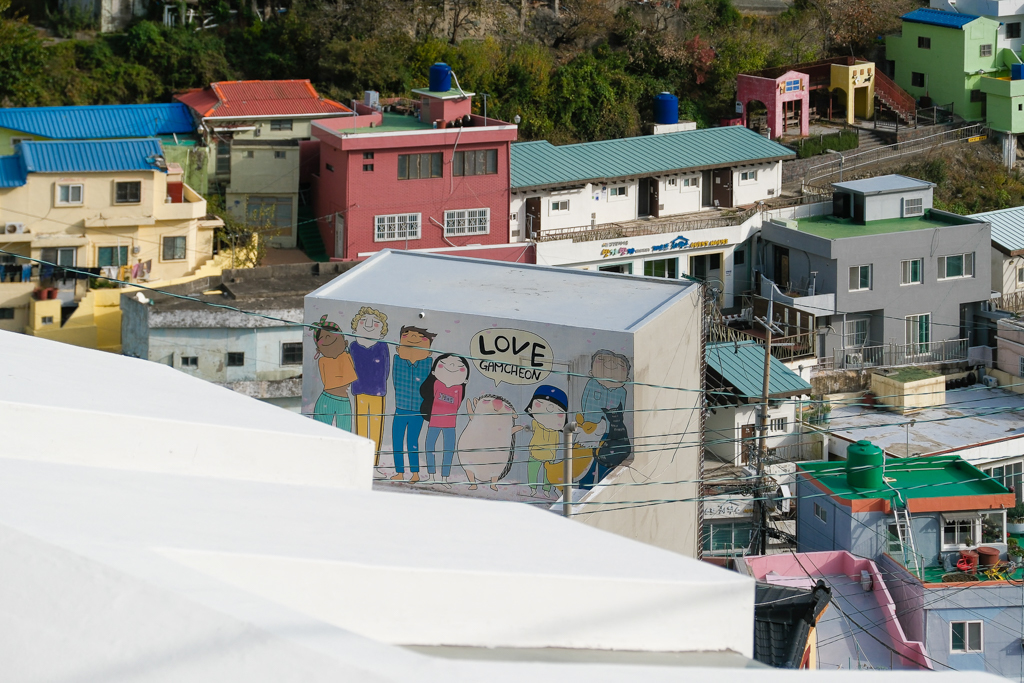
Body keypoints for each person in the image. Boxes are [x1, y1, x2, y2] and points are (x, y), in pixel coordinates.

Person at [578, 350, 631, 486]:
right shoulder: (592, 384)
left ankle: (603, 490)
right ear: (591, 372)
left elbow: (621, 411)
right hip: (591, 430)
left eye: (620, 366)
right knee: (586, 463)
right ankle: (583, 490)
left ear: (627, 380)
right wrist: (588, 422)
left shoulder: (621, 391)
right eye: (602, 361)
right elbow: (584, 402)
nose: (611, 366)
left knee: (606, 463)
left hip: (609, 433)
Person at [390, 326, 436, 483]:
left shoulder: (427, 364)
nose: (414, 338)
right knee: (397, 440)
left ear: (429, 352)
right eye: (407, 335)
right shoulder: (398, 361)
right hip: (401, 408)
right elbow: (396, 381)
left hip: (418, 410)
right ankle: (399, 472)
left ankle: (415, 472)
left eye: (420, 337)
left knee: (412, 442)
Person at [419, 354, 470, 488]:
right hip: (435, 422)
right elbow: (453, 403)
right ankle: (431, 476)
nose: (452, 367)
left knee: (448, 450)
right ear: (434, 371)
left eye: (459, 367)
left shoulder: (459, 388)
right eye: (444, 364)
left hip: (450, 424)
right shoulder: (437, 383)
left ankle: (444, 478)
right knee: (430, 447)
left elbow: (457, 404)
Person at [349, 307, 390, 465]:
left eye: (375, 323)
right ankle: (361, 461)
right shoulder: (353, 346)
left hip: (378, 391)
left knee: (376, 426)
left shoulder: (382, 346)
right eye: (363, 321)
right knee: (361, 425)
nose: (368, 325)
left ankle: (374, 462)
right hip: (359, 390)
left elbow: (386, 369)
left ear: (382, 330)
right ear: (356, 326)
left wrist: (378, 383)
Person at [312, 315, 357, 432]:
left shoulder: (347, 356)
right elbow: (327, 381)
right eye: (322, 337)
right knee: (320, 432)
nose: (327, 338)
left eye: (331, 335)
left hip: (344, 401)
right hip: (326, 398)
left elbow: (349, 376)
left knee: (345, 433)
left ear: (344, 341)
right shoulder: (323, 361)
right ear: (318, 348)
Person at [524, 385, 568, 498]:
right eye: (540, 404)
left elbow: (557, 443)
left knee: (548, 474)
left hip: (549, 455)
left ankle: (546, 490)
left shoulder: (555, 431)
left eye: (559, 412)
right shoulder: (536, 423)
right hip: (535, 452)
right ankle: (533, 489)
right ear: (530, 409)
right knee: (532, 471)